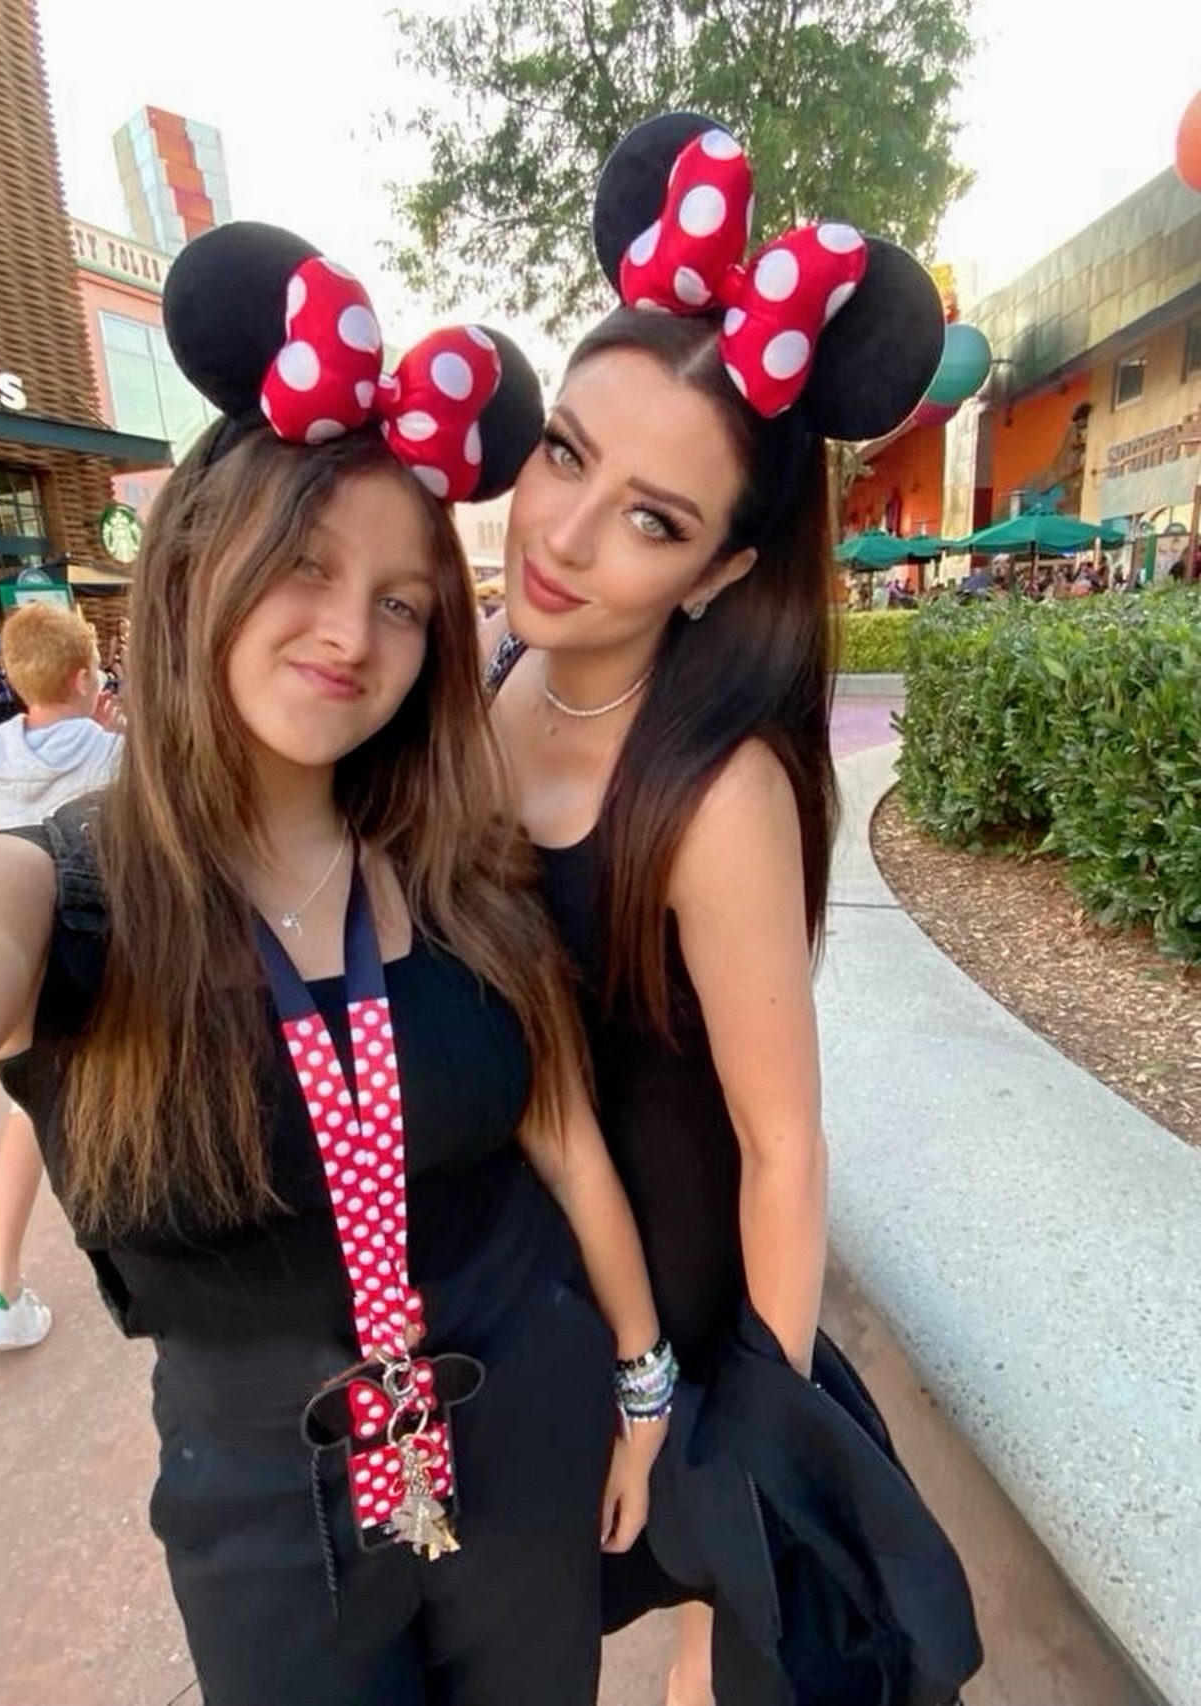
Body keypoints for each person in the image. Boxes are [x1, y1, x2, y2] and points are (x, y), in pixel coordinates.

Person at [0, 224, 670, 1706]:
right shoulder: (64, 895)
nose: (352, 632)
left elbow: (566, 1138)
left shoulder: (459, 870)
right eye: (306, 565)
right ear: (199, 567)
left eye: (402, 601)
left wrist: (644, 1383)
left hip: (524, 1432)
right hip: (268, 1516)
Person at [486, 114, 976, 1704]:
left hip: (688, 1291)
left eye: (653, 518)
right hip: (533, 1274)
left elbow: (783, 1145)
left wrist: (759, 1464)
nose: (565, 535)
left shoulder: (718, 790)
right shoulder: (491, 692)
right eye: (567, 454)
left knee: (714, 1633)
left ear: (714, 572)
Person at [0, 600, 124, 1350]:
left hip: (23, 947)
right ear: (86, 676)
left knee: (28, 1112)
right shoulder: (109, 747)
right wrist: (116, 730)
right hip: (102, 943)